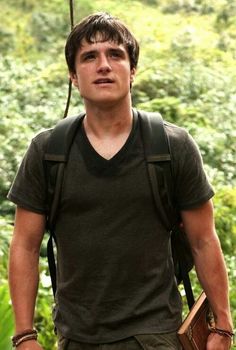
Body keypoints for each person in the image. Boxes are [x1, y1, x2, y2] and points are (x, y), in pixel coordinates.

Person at [8, 12, 233, 350]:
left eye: (115, 54)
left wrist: (224, 326)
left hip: (156, 335)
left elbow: (203, 239)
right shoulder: (49, 151)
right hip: (76, 337)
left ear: (132, 71)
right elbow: (25, 245)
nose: (103, 65)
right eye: (89, 57)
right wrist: (25, 336)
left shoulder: (172, 146)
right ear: (73, 75)